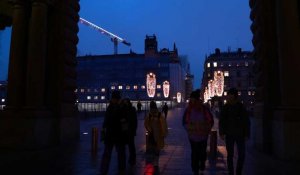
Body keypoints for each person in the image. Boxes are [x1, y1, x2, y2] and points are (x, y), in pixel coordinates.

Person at [219, 87, 250, 175]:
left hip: (240, 134)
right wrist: (221, 132)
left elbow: (246, 121)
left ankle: (238, 171)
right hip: (229, 134)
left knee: (242, 155)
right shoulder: (226, 107)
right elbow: (222, 121)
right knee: (230, 155)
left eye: (230, 95)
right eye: (228, 95)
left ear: (234, 96)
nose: (228, 97)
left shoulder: (240, 107)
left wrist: (247, 133)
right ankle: (231, 172)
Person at [182, 89, 214, 175]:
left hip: (203, 136)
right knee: (194, 153)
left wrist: (206, 129)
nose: (191, 100)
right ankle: (195, 169)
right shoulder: (188, 110)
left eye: (192, 99)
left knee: (202, 152)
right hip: (193, 136)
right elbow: (184, 122)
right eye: (190, 99)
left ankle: (202, 163)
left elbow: (211, 120)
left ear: (197, 99)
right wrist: (189, 129)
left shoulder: (204, 109)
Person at [99, 90, 128, 175]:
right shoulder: (118, 108)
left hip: (114, 135)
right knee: (119, 154)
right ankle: (119, 170)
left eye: (114, 99)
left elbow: (106, 121)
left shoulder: (113, 108)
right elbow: (123, 122)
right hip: (116, 135)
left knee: (111, 154)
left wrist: (104, 133)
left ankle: (106, 170)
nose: (114, 100)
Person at [144, 100, 168, 167]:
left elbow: (164, 125)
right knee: (153, 148)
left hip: (158, 135)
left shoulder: (159, 115)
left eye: (153, 108)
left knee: (157, 149)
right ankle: (154, 160)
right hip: (151, 135)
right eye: (151, 108)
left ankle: (156, 161)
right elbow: (146, 124)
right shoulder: (149, 116)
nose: (152, 110)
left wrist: (163, 133)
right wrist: (149, 129)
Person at [122, 98, 138, 167]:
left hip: (128, 130)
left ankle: (132, 159)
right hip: (127, 130)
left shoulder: (130, 109)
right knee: (130, 145)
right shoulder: (130, 109)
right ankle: (131, 159)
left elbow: (134, 121)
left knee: (130, 146)